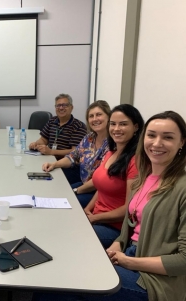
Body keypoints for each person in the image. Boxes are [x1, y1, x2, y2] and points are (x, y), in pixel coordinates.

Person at [33, 111, 186, 301]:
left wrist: (129, 262)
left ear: (182, 142)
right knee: (57, 269)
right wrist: (114, 249)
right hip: (129, 254)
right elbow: (128, 227)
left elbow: (183, 260)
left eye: (168, 137)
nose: (156, 143)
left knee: (65, 279)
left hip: (154, 280)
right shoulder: (144, 179)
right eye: (152, 135)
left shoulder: (181, 188)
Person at [84, 104, 144, 248]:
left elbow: (129, 209)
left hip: (115, 228)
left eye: (123, 124)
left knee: (74, 235)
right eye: (113, 124)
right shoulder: (112, 152)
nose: (116, 129)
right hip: (97, 217)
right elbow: (102, 187)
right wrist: (87, 209)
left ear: (136, 127)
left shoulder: (135, 161)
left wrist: (94, 218)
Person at [42, 100, 111, 207]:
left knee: (66, 202)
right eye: (91, 116)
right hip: (84, 184)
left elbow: (99, 181)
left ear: (109, 117)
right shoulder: (89, 138)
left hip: (97, 192)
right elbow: (73, 156)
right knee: (55, 190)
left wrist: (75, 190)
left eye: (99, 115)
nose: (95, 119)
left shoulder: (112, 145)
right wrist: (54, 164)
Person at [29, 93, 87, 159]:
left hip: (66, 164)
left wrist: (51, 152)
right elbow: (43, 139)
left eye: (64, 105)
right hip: (49, 158)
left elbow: (75, 151)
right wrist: (36, 144)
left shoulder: (79, 126)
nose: (61, 108)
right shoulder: (52, 121)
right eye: (58, 105)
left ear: (71, 107)